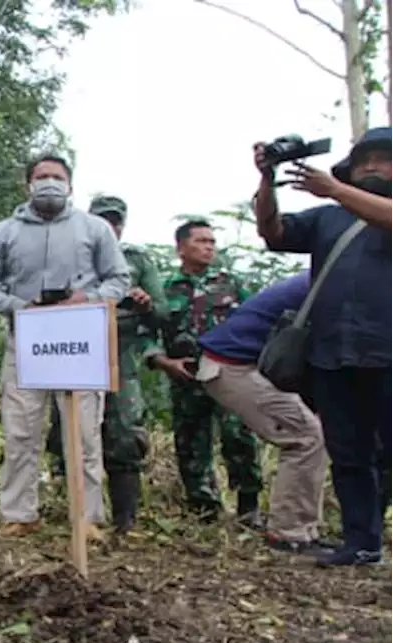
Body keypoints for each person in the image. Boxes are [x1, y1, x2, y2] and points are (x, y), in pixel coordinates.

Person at [0, 154, 130, 537]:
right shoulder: (2, 233)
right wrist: (21, 307)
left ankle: (87, 518)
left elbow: (119, 280)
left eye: (57, 176)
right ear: (28, 185)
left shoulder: (95, 229)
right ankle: (19, 515)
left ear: (71, 185)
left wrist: (86, 298)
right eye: (42, 176)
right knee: (20, 432)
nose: (49, 183)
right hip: (26, 344)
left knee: (85, 433)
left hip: (80, 347)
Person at [253, 127, 393, 566]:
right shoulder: (328, 218)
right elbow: (273, 232)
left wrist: (335, 189)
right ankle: (362, 542)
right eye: (364, 159)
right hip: (333, 351)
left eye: (382, 159)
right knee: (349, 452)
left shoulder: (368, 208)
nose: (371, 165)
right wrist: (266, 181)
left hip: (388, 350)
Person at [45, 195, 167, 534]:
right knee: (71, 432)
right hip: (75, 352)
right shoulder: (67, 256)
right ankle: (79, 515)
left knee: (125, 433)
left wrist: (143, 304)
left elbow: (163, 312)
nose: (109, 226)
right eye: (102, 219)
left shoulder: (136, 259)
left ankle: (125, 519)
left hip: (120, 356)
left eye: (115, 220)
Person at [193, 272, 329, 553]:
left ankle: (304, 530)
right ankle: (288, 534)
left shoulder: (328, 274)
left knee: (312, 434)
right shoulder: (338, 282)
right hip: (233, 366)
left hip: (246, 365)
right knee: (306, 437)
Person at [146, 219, 262, 525]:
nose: (209, 247)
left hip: (229, 374)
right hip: (186, 376)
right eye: (201, 241)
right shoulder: (163, 288)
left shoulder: (231, 283)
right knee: (191, 441)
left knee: (238, 435)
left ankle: (249, 508)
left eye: (212, 241)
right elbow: (146, 333)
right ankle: (203, 509)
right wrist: (163, 361)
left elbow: (256, 321)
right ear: (181, 247)